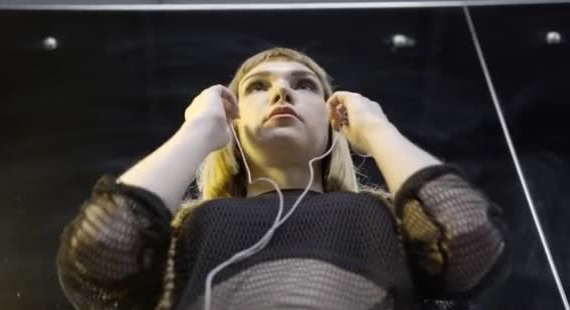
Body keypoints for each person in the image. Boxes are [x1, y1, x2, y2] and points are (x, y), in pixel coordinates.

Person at [56, 47, 510, 310]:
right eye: (256, 86)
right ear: (231, 122)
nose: (281, 91)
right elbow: (100, 254)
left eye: (305, 84)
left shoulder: (383, 219)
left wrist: (375, 129)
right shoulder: (188, 231)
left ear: (335, 119)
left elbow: (469, 240)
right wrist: (197, 130)